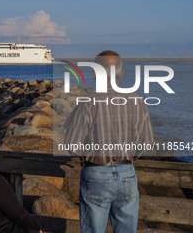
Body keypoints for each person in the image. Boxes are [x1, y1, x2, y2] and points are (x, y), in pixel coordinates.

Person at [64, 50, 154, 233]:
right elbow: (147, 144)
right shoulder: (137, 102)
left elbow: (72, 145)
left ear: (95, 73)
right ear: (122, 73)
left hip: (96, 173)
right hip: (127, 172)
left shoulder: (88, 104)